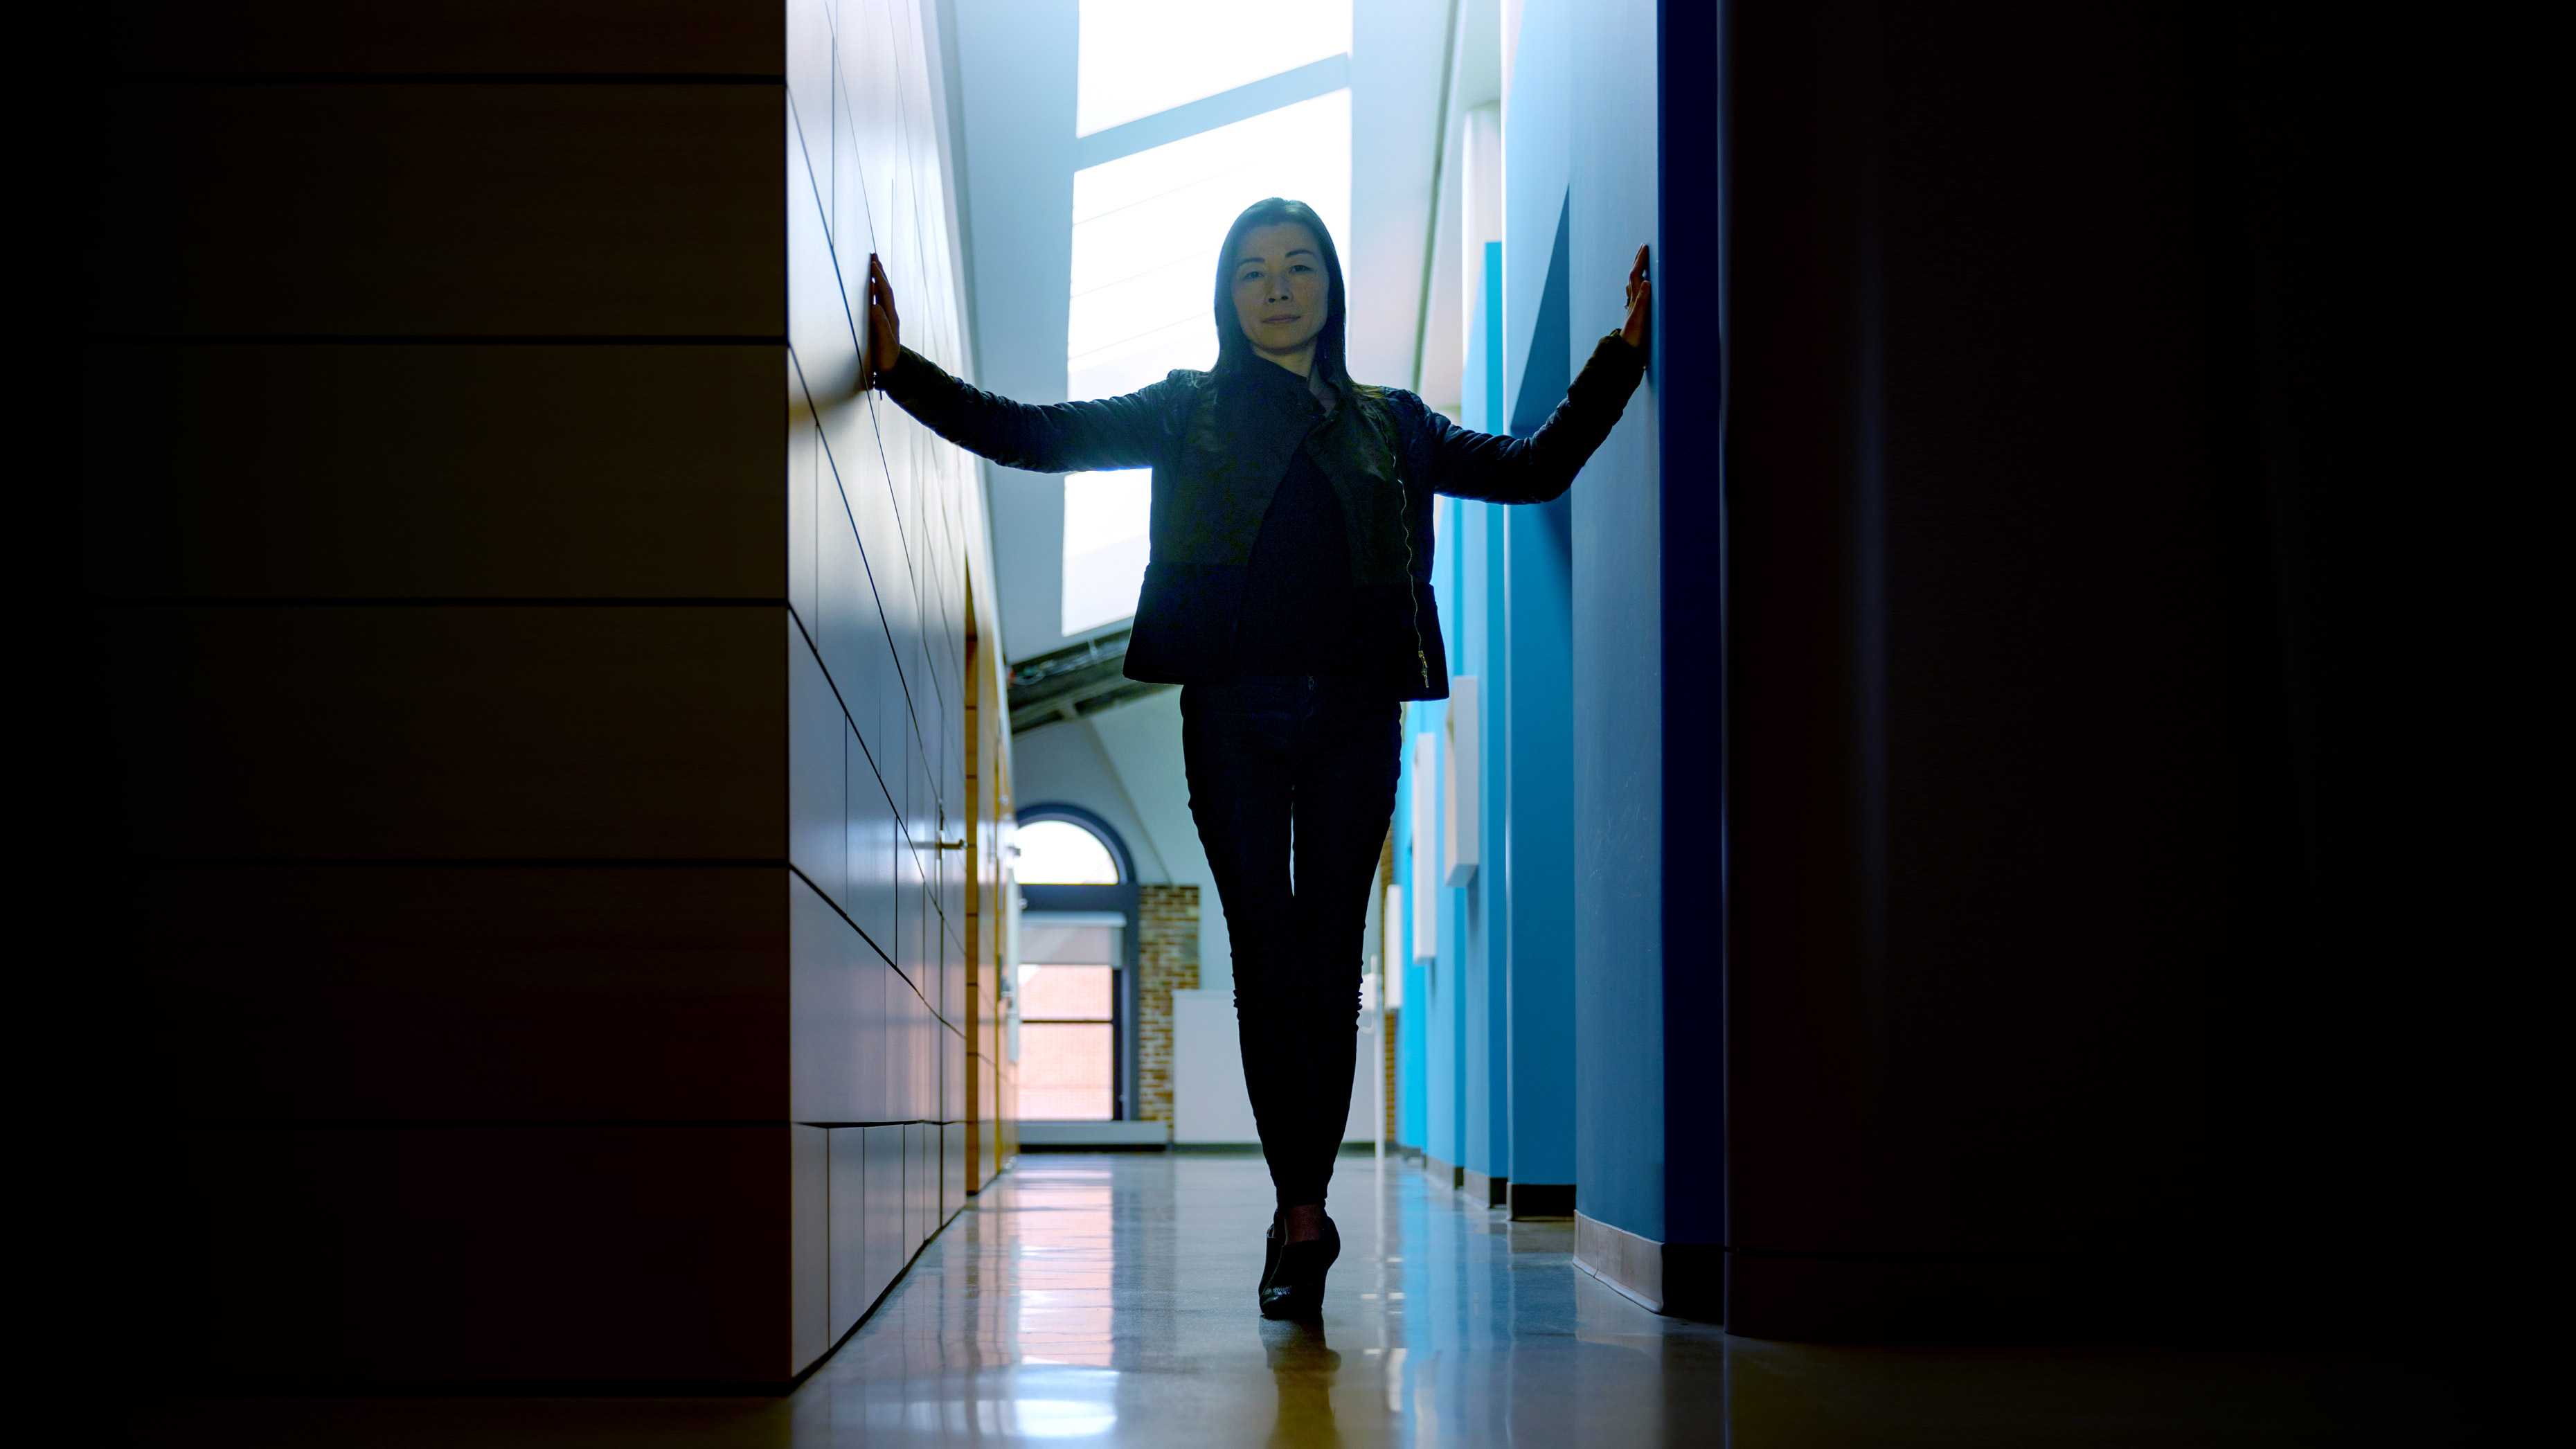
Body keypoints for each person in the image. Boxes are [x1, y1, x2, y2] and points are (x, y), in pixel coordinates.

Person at [868, 197, 1649, 1319]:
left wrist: (1618, 363)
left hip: (1354, 718)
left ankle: (1302, 1212)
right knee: (1265, 959)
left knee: (1330, 971)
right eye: (1251, 271)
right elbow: (1041, 434)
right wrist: (904, 375)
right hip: (1229, 713)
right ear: (1227, 296)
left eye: (1297, 267)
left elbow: (1533, 469)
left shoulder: (1397, 422)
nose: (1276, 287)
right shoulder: (1185, 411)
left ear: (1329, 287)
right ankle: (1300, 1204)